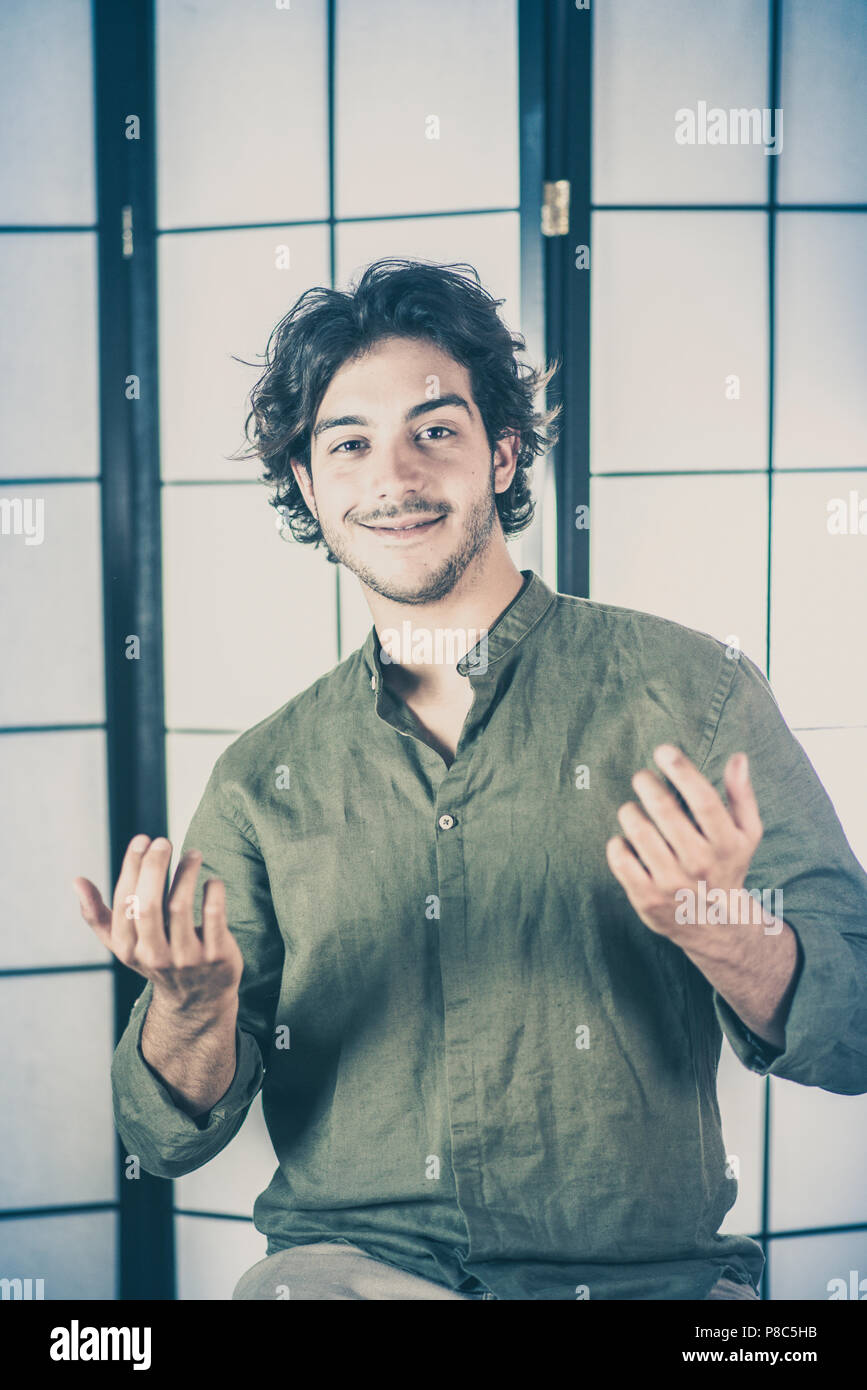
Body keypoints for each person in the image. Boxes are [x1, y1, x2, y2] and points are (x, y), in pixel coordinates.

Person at [74, 259, 867, 1300]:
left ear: (501, 453)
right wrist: (190, 1005)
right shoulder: (262, 778)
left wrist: (720, 922)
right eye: (349, 444)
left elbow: (853, 1032)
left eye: (434, 430)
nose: (394, 475)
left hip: (653, 1284)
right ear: (311, 490)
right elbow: (160, 1138)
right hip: (354, 1279)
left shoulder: (693, 693)